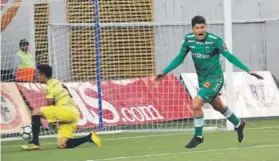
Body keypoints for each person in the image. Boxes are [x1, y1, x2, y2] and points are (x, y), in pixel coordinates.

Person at [154, 15, 263, 148]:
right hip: (203, 80)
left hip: (215, 78)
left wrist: (248, 70)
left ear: (206, 27)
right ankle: (239, 123)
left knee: (195, 105)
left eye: (202, 27)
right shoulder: (189, 40)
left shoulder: (215, 41)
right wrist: (164, 72)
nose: (200, 30)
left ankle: (198, 136)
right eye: (197, 28)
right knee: (218, 106)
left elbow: (230, 56)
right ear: (192, 29)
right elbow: (179, 58)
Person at [21, 64, 103, 150]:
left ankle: (35, 143)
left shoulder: (49, 86)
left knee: (35, 112)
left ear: (43, 75)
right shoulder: (57, 82)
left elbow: (50, 104)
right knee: (61, 144)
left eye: (38, 74)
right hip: (73, 114)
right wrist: (52, 118)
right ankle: (89, 137)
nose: (37, 76)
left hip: (66, 110)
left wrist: (51, 120)